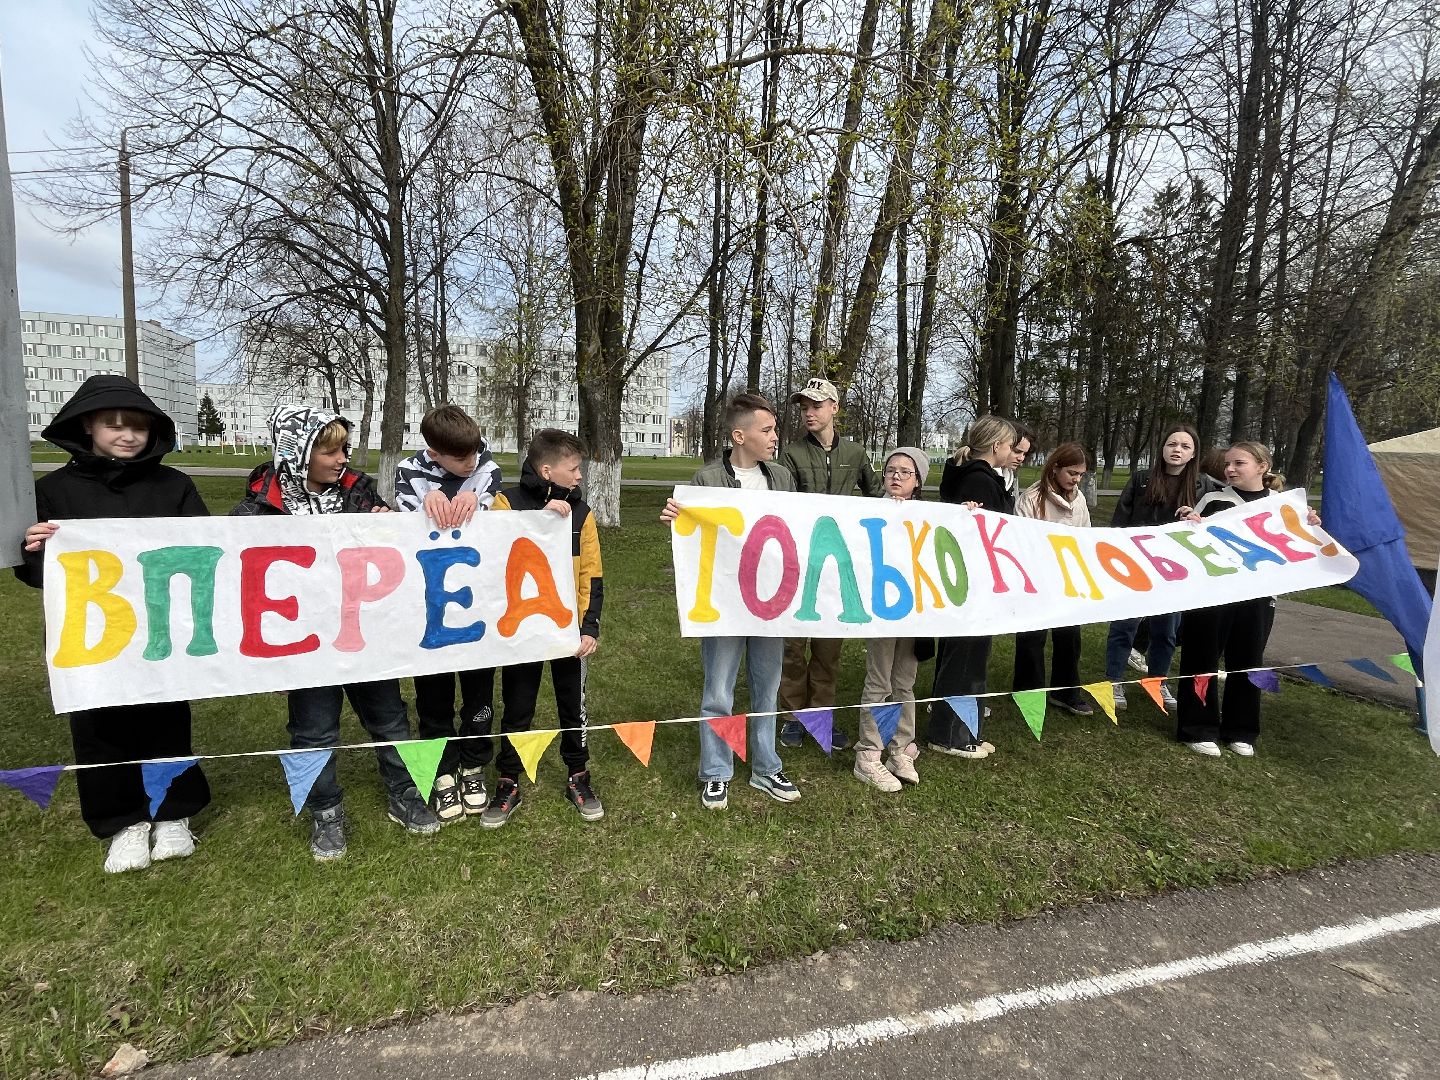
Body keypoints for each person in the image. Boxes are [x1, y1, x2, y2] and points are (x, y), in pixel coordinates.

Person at [17, 375, 212, 874]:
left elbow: (209, 550)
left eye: (138, 427)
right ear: (88, 426)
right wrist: (36, 550)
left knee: (166, 720)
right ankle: (122, 821)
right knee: (99, 728)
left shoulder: (175, 485)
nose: (127, 435)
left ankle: (173, 813)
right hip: (88, 634)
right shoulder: (53, 491)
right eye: (113, 425)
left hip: (161, 629)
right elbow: (36, 576)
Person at [233, 405, 439, 859]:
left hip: (364, 634)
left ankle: (404, 791)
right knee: (313, 730)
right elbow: (237, 570)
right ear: (298, 452)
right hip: (303, 643)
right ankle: (325, 810)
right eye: (331, 450)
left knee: (389, 716)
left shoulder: (361, 491)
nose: (343, 457)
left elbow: (392, 548)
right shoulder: (258, 507)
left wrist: (390, 524)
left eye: (344, 448)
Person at [660, 394, 802, 810]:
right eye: (768, 430)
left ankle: (765, 766)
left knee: (767, 686)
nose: (775, 437)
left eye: (774, 429)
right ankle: (717, 770)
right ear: (740, 435)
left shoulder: (781, 477)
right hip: (723, 602)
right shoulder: (705, 481)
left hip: (770, 603)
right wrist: (676, 519)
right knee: (719, 688)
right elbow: (695, 537)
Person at [487, 429, 605, 826]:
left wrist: (589, 627)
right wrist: (539, 518)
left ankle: (578, 773)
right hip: (523, 630)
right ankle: (508, 779)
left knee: (574, 705)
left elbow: (592, 574)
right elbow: (493, 550)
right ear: (547, 470)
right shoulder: (507, 503)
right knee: (518, 706)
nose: (579, 477)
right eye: (573, 469)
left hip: (568, 631)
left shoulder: (583, 513)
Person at [393, 404, 503, 823]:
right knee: (433, 693)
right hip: (430, 609)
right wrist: (427, 501)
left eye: (474, 453)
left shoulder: (485, 466)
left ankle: (473, 765)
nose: (471, 463)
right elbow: (405, 532)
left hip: (477, 603)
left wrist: (475, 492)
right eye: (461, 458)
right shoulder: (408, 472)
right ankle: (440, 770)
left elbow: (492, 509)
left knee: (478, 690)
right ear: (433, 453)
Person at [1175, 442, 1317, 757]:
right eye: (1227, 464)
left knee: (1249, 662)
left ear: (1262, 467)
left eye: (1239, 463)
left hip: (1257, 597)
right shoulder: (1213, 500)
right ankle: (1197, 727)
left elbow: (1299, 545)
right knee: (1202, 659)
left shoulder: (1283, 506)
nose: (1230, 469)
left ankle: (1241, 730)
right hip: (1212, 596)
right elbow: (1187, 542)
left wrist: (1312, 529)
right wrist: (1188, 522)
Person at [777, 376, 880, 750]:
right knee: (792, 644)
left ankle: (820, 713)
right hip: (799, 567)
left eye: (816, 406)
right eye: (804, 407)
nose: (809, 413)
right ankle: (790, 715)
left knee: (828, 647)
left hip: (840, 570)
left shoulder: (855, 454)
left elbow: (879, 496)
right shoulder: (790, 454)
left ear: (834, 408)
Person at [928, 415, 1025, 757]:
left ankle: (963, 729)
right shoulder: (981, 481)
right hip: (975, 584)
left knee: (964, 657)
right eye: (1011, 445)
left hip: (969, 583)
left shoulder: (971, 475)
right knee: (966, 660)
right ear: (997, 446)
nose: (1013, 451)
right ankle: (951, 736)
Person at [1104, 424, 1217, 712]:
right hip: (1135, 566)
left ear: (1193, 454)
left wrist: (1195, 519)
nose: (1177, 450)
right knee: (1124, 626)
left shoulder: (1204, 485)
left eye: (1184, 446)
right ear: (1162, 448)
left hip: (1176, 571)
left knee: (1166, 630)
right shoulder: (1142, 479)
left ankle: (1157, 680)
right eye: (1171, 444)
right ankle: (1114, 680)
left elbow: (1216, 526)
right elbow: (1119, 522)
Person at [853, 447, 931, 792]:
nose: (896, 476)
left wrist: (968, 515)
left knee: (904, 682)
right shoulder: (866, 510)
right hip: (881, 610)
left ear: (918, 481)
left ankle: (900, 749)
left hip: (914, 613)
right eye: (890, 470)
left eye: (905, 472)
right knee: (879, 681)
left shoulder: (930, 515)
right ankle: (868, 754)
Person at [1011, 443, 1094, 716]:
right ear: (1055, 467)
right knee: (1032, 638)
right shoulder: (1031, 499)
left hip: (1069, 580)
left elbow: (1085, 536)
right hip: (1036, 580)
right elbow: (1021, 541)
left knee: (1070, 637)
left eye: (1080, 474)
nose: (1076, 479)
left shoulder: (1079, 499)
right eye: (1072, 472)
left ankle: (1067, 692)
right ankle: (1028, 693)